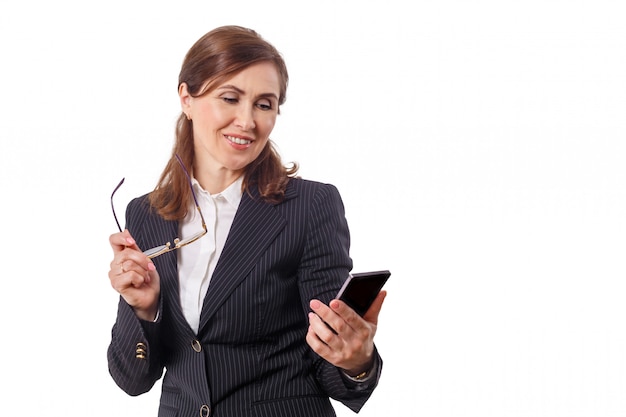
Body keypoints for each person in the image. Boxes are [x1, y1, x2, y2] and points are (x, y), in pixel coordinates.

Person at [107, 25, 387, 417]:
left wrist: (356, 360)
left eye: (264, 104)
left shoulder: (309, 206)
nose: (247, 121)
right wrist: (143, 308)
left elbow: (331, 367)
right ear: (186, 98)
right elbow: (132, 380)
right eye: (230, 98)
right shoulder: (145, 213)